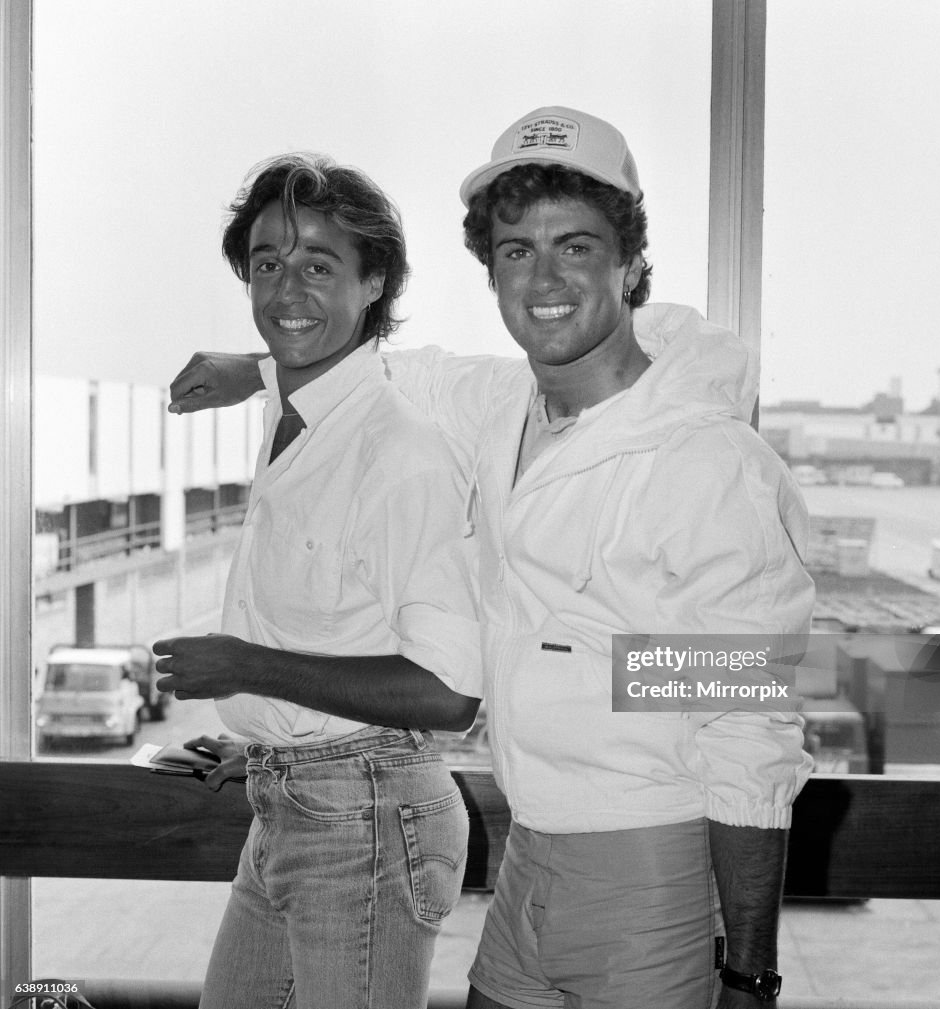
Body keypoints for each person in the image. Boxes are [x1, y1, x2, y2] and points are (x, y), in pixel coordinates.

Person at [168, 107, 815, 1009]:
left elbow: (750, 722)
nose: (543, 278)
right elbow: (390, 365)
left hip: (646, 863)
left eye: (576, 246)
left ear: (629, 262)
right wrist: (256, 365)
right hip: (526, 859)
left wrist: (749, 971)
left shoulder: (709, 463)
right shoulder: (504, 405)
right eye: (516, 251)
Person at [153, 153, 482, 1009]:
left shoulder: (401, 453)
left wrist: (245, 668)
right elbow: (343, 626)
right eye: (268, 264)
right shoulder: (291, 413)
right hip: (292, 800)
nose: (286, 289)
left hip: (365, 822)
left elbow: (451, 694)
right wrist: (270, 734)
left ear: (373, 282)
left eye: (319, 265)